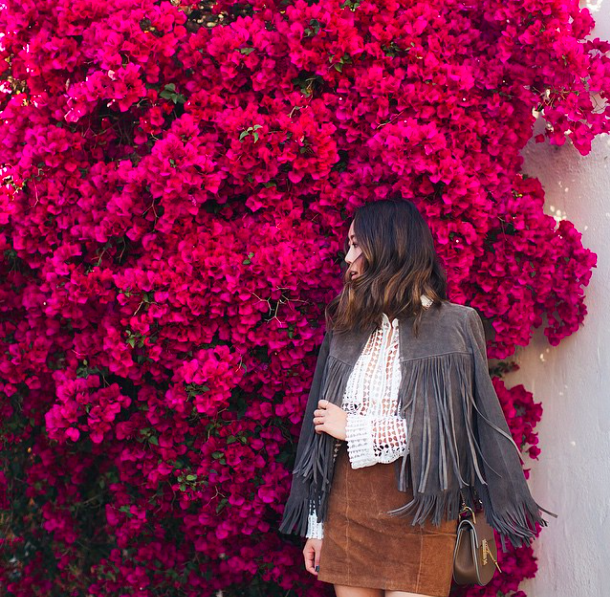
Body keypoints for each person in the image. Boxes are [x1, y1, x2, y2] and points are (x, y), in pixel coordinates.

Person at [279, 199, 552, 597]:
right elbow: (320, 444)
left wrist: (353, 428)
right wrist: (316, 527)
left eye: (356, 245)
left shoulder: (455, 324)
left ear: (388, 247)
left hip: (423, 509)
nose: (347, 257)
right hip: (348, 507)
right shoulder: (346, 326)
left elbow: (451, 436)